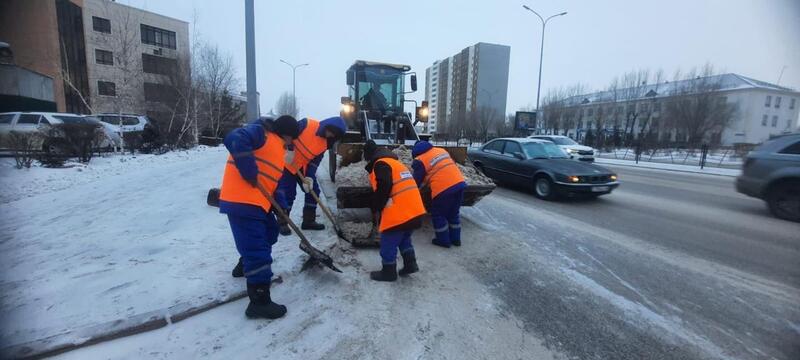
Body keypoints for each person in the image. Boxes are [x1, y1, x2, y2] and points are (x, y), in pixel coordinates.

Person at [219, 115, 300, 320]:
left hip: (258, 204)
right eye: (293, 139)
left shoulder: (279, 149)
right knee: (258, 251)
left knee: (270, 234)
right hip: (243, 201)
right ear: (288, 134)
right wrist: (248, 168)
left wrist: (282, 208)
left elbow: (275, 183)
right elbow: (234, 138)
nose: (292, 144)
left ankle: (244, 265)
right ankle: (259, 302)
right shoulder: (261, 132)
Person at [363, 140, 426, 282]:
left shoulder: (380, 164)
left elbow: (384, 184)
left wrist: (377, 205)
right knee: (404, 239)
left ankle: (388, 272)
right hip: (415, 210)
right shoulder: (396, 163)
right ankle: (410, 264)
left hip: (400, 212)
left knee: (388, 242)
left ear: (369, 155)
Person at [274, 116, 346, 235]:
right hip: (286, 163)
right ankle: (282, 222)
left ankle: (308, 221)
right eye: (331, 132)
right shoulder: (307, 124)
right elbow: (289, 133)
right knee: (288, 193)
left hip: (301, 167)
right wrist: (290, 149)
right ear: (327, 126)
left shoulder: (325, 144)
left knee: (313, 191)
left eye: (334, 135)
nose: (330, 136)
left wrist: (309, 177)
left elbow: (314, 162)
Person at [411, 141, 466, 248]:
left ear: (415, 152)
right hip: (460, 184)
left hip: (443, 189)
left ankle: (443, 240)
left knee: (438, 214)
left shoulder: (420, 160)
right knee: (453, 213)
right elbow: (445, 167)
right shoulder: (441, 150)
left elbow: (416, 180)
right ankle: (456, 239)